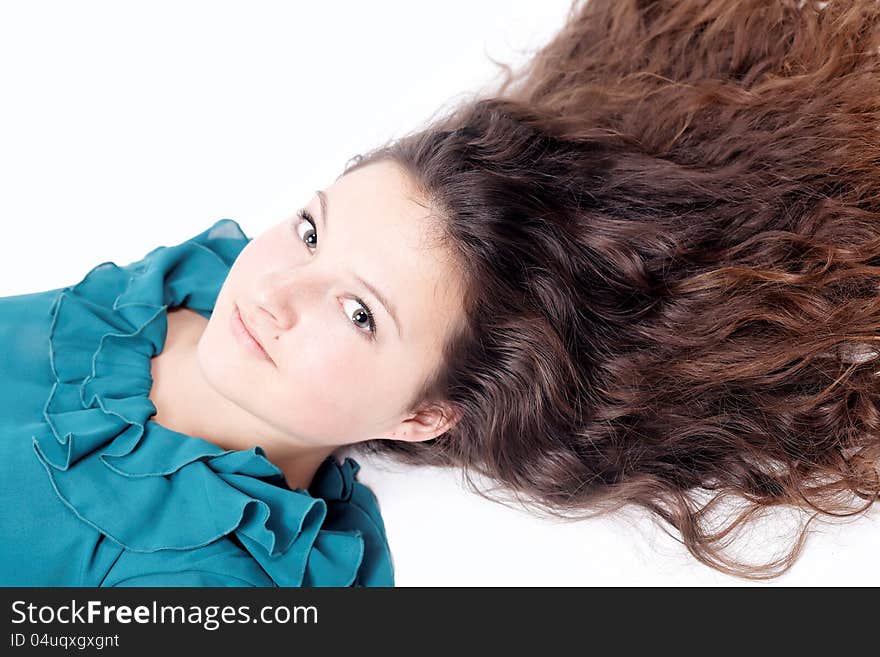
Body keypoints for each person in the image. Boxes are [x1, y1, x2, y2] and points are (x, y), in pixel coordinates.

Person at [3, 0, 880, 586]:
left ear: (424, 413)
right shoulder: (166, 296)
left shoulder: (228, 584)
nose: (277, 293)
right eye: (313, 230)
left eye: (359, 313)